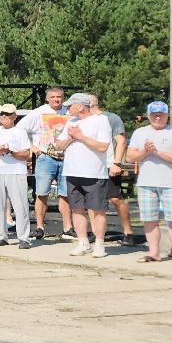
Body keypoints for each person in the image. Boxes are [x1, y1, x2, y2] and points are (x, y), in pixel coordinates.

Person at [126, 101, 172, 264]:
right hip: (146, 183)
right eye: (154, 115)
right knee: (149, 219)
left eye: (161, 115)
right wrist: (145, 151)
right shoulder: (139, 133)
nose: (157, 118)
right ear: (148, 116)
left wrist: (158, 153)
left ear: (167, 115)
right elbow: (130, 157)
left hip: (171, 184)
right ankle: (154, 252)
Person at [60, 92, 113, 257]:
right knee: (77, 209)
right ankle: (83, 242)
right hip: (72, 172)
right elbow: (58, 145)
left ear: (81, 106)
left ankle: (99, 244)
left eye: (70, 105)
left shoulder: (101, 120)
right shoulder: (71, 122)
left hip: (94, 173)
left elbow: (103, 146)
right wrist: (71, 137)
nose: (67, 108)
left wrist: (81, 136)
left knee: (98, 210)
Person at [18, 86, 69, 241]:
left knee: (65, 194)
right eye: (53, 97)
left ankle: (68, 228)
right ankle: (40, 227)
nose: (56, 99)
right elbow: (20, 128)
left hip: (66, 158)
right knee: (41, 193)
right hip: (45, 157)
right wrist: (32, 147)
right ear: (47, 98)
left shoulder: (68, 111)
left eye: (59, 97)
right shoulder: (38, 112)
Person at [0, 105, 34, 248]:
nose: (4, 117)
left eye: (8, 114)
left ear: (14, 116)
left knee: (20, 205)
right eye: (2, 114)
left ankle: (24, 237)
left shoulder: (20, 132)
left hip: (16, 171)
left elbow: (26, 154)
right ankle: (0, 236)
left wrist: (10, 151)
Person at [90, 93, 136, 247]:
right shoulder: (82, 120)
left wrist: (117, 163)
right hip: (90, 166)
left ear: (92, 104)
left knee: (116, 199)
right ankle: (96, 232)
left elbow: (121, 141)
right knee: (92, 200)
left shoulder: (111, 118)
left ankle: (128, 232)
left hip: (109, 164)